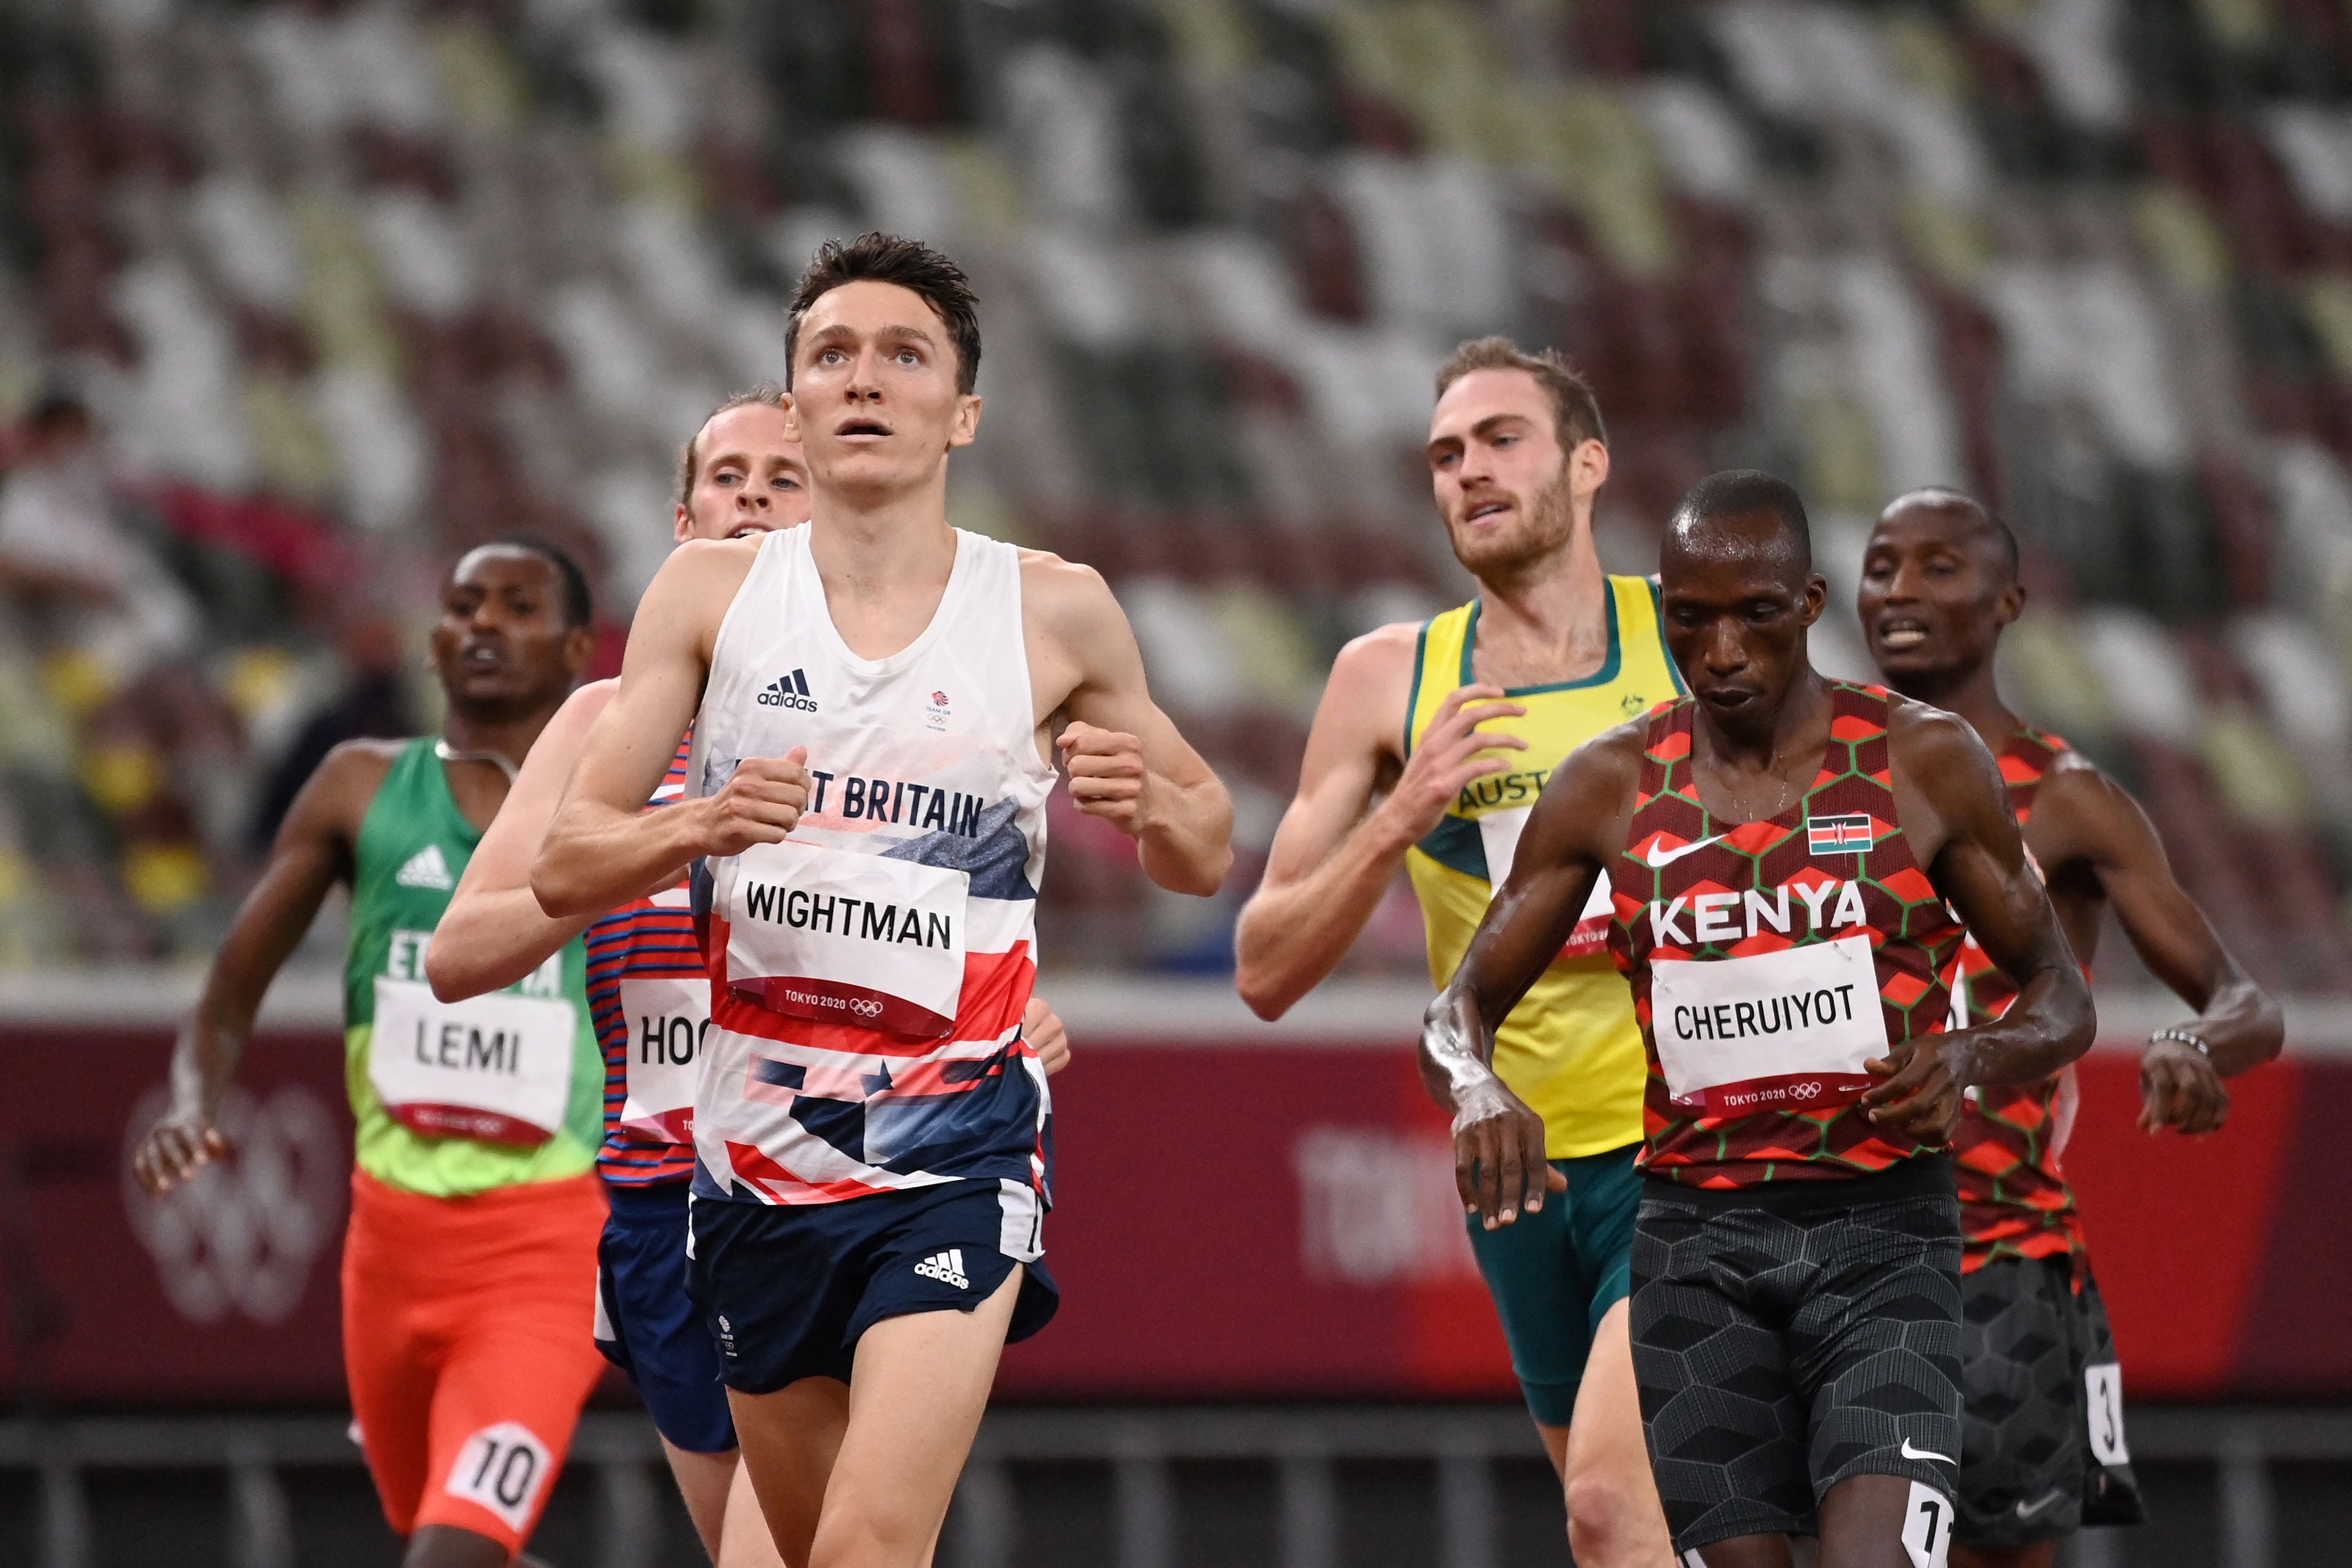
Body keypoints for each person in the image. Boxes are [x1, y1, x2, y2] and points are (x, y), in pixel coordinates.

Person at [530, 232, 1235, 1568]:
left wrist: (1146, 792)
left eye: (903, 355)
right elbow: (568, 862)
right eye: (832, 355)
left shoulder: (1053, 610)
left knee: (865, 1547)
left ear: (962, 412)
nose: (865, 379)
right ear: (795, 396)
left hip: (953, 1157)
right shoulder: (707, 597)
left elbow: (1204, 850)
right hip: (748, 1169)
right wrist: (701, 822)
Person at [427, 387, 1076, 1567]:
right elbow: (460, 955)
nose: (750, 501)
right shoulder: (600, 728)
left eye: (782, 481)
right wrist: (681, 832)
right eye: (725, 480)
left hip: (839, 1179)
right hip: (659, 1204)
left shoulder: (892, 716)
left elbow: (964, 914)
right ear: (684, 521)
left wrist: (1007, 1010)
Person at [1423, 470, 2097, 1568]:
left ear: (1813, 605)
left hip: (1884, 1234)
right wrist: (1477, 1086)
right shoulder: (1610, 784)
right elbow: (1458, 1010)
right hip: (1696, 1246)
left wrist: (1974, 1052)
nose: (1724, 650)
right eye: (1692, 620)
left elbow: (2062, 997)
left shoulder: (1922, 762)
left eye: (1757, 616)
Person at [1234, 337, 1676, 1563]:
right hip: (1517, 1169)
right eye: (1443, 456)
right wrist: (1402, 812)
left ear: (1589, 465)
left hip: (1693, 1148)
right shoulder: (1389, 681)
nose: (1468, 472)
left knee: (1609, 1505)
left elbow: (1866, 812)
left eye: (1500, 441)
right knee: (1656, 1529)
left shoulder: (1692, 644)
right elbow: (1265, 966)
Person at [132, 539, 606, 1568]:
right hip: (387, 1252)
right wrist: (190, 1100)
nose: (481, 622)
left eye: (516, 605)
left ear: (576, 647)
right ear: (432, 641)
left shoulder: (615, 814)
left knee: (454, 1548)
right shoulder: (359, 789)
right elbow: (228, 992)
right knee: (438, 1530)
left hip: (547, 1250)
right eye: (462, 601)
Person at [1857, 488, 2283, 1568]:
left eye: (1937, 567)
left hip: (1997, 1264)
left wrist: (2194, 1045)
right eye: (1881, 565)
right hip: (1830, 1252)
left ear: (2009, 603)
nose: (1900, 589)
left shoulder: (2068, 798)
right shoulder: (1798, 779)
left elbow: (2245, 1000)